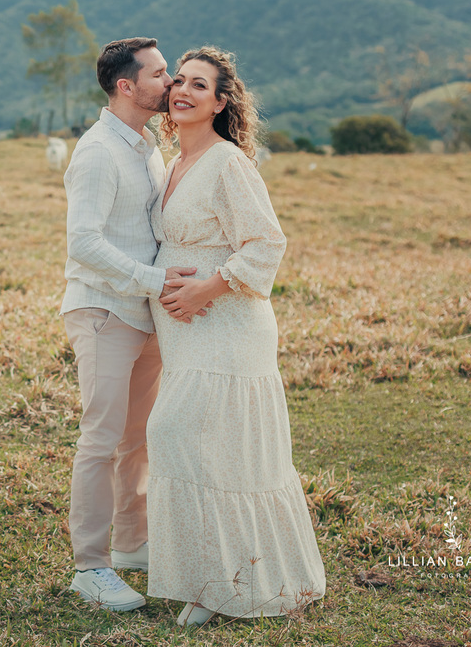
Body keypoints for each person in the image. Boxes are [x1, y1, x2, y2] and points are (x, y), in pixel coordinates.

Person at [145, 46, 326, 626]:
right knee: (196, 445)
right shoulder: (173, 162)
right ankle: (210, 577)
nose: (183, 91)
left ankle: (221, 585)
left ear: (222, 103)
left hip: (226, 327)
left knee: (189, 439)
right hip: (185, 336)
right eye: (179, 80)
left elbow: (266, 243)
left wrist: (204, 290)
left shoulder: (227, 163)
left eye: (200, 85)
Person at [60, 37, 206, 611]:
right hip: (103, 311)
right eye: (160, 73)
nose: (171, 82)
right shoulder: (98, 151)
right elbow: (83, 242)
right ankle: (89, 567)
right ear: (127, 85)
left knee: (137, 438)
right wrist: (154, 281)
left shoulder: (145, 146)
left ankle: (130, 544)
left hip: (143, 315)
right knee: (100, 440)